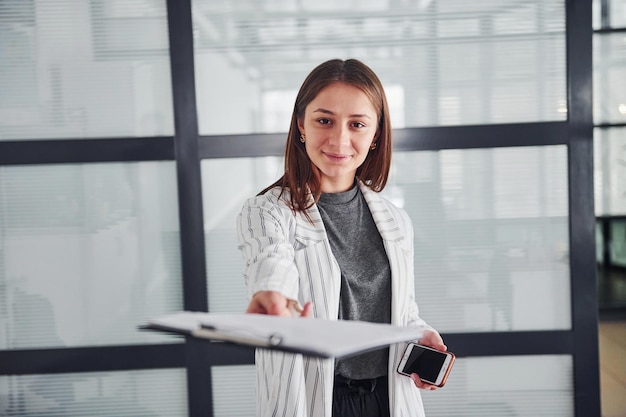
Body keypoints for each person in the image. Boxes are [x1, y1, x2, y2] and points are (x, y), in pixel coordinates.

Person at [237, 58, 447, 417]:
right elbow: (271, 261)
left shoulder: (396, 220)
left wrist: (421, 334)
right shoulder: (267, 211)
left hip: (389, 399)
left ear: (376, 134)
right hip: (314, 400)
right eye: (324, 120)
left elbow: (403, 309)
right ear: (301, 125)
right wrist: (271, 295)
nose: (339, 139)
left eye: (357, 124)